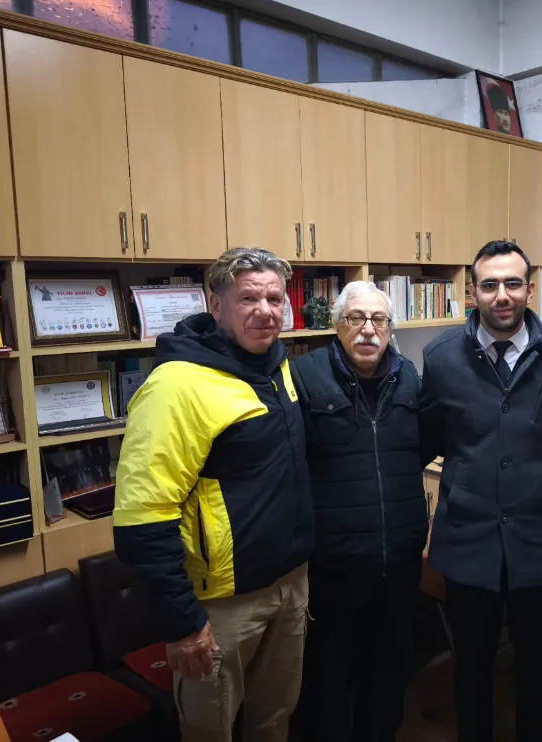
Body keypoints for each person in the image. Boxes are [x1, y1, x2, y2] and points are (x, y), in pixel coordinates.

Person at [113, 248, 314, 742]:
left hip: (289, 585)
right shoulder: (176, 385)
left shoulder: (277, 366)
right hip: (222, 606)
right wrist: (182, 622)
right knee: (211, 731)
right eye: (248, 299)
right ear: (216, 305)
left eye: (274, 298)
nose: (265, 311)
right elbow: (143, 517)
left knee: (275, 718)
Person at [419, 240, 542, 742]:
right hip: (468, 542)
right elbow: (427, 438)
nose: (502, 295)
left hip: (540, 541)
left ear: (529, 289)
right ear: (472, 292)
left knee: (536, 665)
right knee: (472, 667)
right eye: (489, 284)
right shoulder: (441, 357)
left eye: (513, 283)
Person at [290, 280, 427, 742]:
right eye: (356, 318)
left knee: (389, 669)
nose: (368, 329)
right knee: (328, 673)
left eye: (379, 320)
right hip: (334, 563)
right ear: (338, 325)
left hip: (398, 559)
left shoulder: (409, 376)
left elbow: (420, 447)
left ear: (390, 328)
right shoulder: (303, 376)